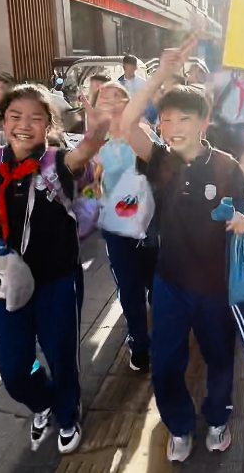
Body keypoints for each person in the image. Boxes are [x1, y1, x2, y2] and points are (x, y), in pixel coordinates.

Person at [121, 38, 244, 463]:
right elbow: (128, 124)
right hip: (170, 281)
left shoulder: (227, 166)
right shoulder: (162, 160)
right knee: (165, 362)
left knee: (219, 357)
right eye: (166, 119)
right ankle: (179, 426)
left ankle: (217, 419)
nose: (172, 127)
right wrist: (158, 75)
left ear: (204, 122)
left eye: (183, 119)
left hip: (215, 285)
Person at [0, 83, 110, 454]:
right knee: (12, 366)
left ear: (48, 126)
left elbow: (86, 150)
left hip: (58, 278)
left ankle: (68, 412)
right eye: (15, 116)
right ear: (3, 122)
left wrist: (98, 129)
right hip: (11, 281)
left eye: (35, 118)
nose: (24, 125)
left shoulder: (56, 162)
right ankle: (43, 401)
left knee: (61, 356)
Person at [95, 82, 158, 373]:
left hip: (150, 227)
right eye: (102, 99)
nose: (108, 103)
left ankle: (165, 334)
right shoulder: (97, 142)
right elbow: (93, 183)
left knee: (156, 285)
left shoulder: (143, 134)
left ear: (128, 101)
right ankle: (140, 346)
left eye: (115, 97)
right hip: (116, 229)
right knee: (129, 289)